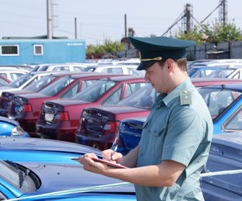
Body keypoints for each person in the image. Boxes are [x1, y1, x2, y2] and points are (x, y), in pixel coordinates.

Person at [77, 36, 213, 201]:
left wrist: (107, 171)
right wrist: (116, 161)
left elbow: (167, 175)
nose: (146, 78)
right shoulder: (164, 101)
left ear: (169, 65)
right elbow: (143, 149)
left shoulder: (187, 110)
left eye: (149, 71)